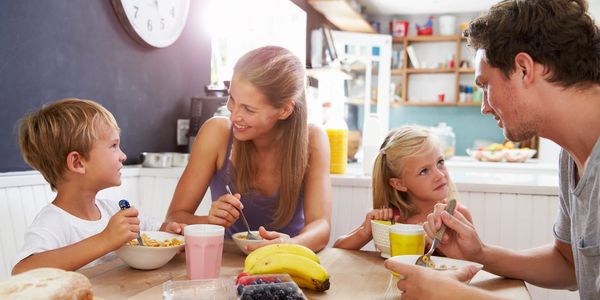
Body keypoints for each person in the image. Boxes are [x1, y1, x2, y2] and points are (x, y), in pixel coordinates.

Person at [384, 0, 600, 299]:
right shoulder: (571, 157)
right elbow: (568, 266)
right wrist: (480, 253)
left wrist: (459, 296)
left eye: (485, 85)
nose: (485, 107)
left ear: (524, 69)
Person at [165, 46, 332, 252]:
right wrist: (210, 221)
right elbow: (174, 218)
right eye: (232, 99)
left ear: (284, 110)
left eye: (249, 109)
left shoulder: (313, 140)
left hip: (288, 260)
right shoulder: (217, 133)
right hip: (223, 260)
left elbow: (322, 226)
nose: (234, 115)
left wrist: (289, 245)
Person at [12, 98, 184, 274]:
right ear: (78, 162)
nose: (123, 155)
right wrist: (105, 240)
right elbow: (22, 271)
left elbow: (154, 230)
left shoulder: (112, 210)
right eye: (113, 146)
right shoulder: (53, 222)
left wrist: (168, 231)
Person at [334, 125, 472, 250]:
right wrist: (365, 231)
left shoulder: (457, 216)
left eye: (440, 162)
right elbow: (338, 249)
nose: (440, 175)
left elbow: (473, 260)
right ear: (399, 184)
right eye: (424, 171)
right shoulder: (392, 220)